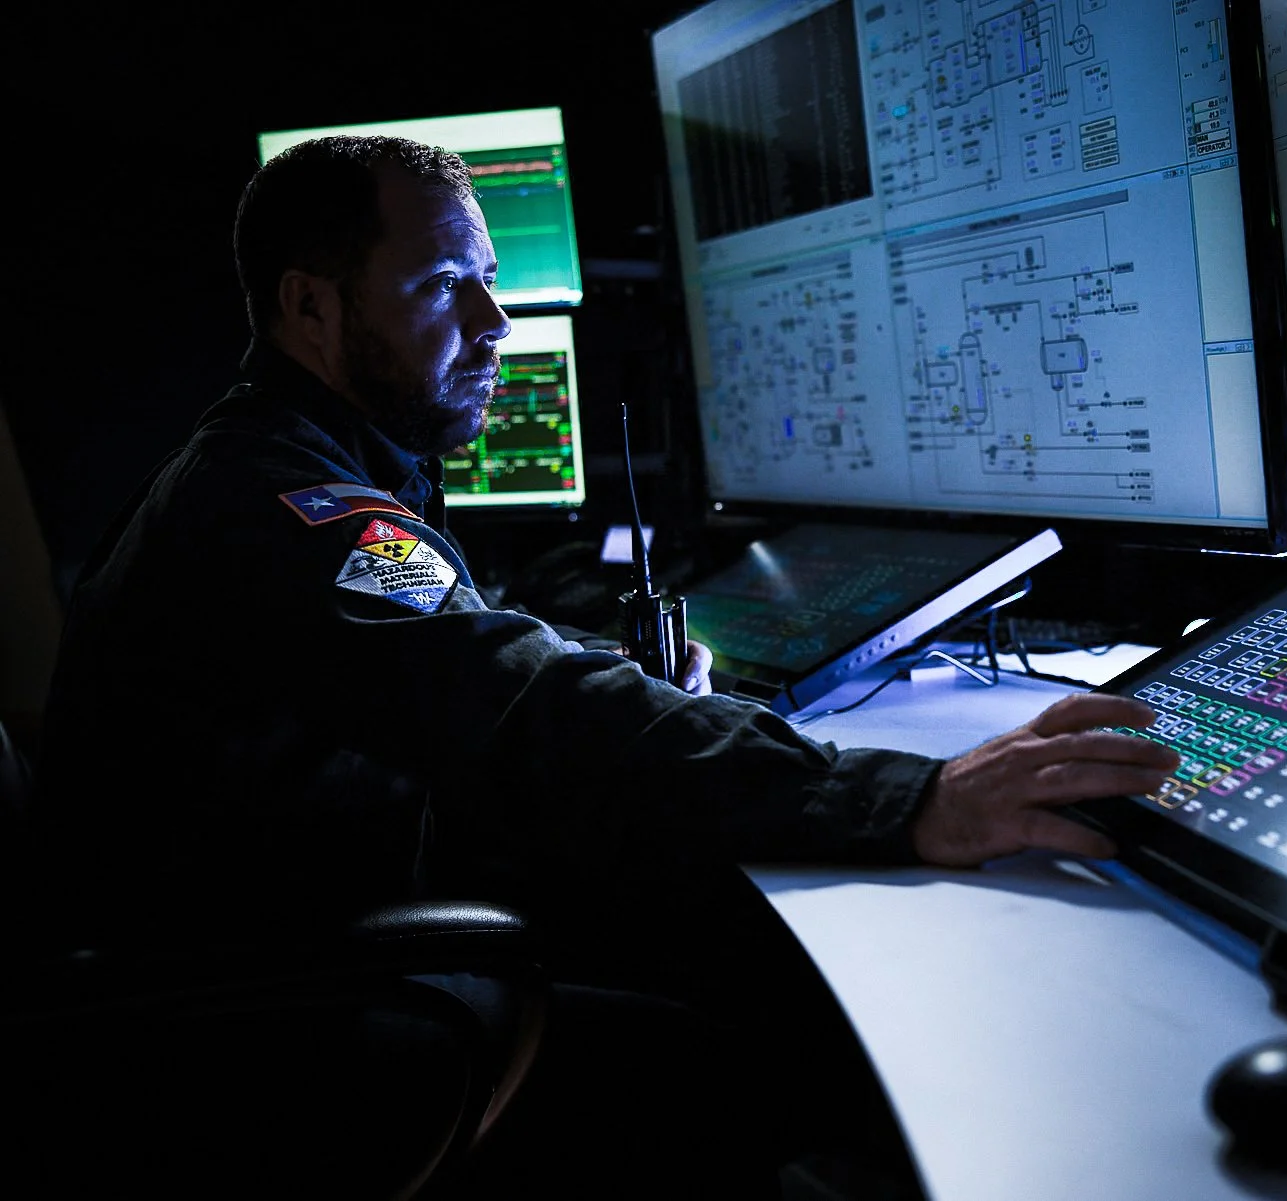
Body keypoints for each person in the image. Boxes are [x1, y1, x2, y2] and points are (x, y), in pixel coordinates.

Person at [24, 135, 1180, 1196]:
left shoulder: (290, 460)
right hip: (259, 1025)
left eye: (486, 280)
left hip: (273, 933)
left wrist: (610, 673)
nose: (493, 321)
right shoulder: (288, 506)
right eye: (440, 286)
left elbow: (465, 645)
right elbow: (515, 699)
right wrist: (912, 796)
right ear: (310, 305)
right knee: (750, 1063)